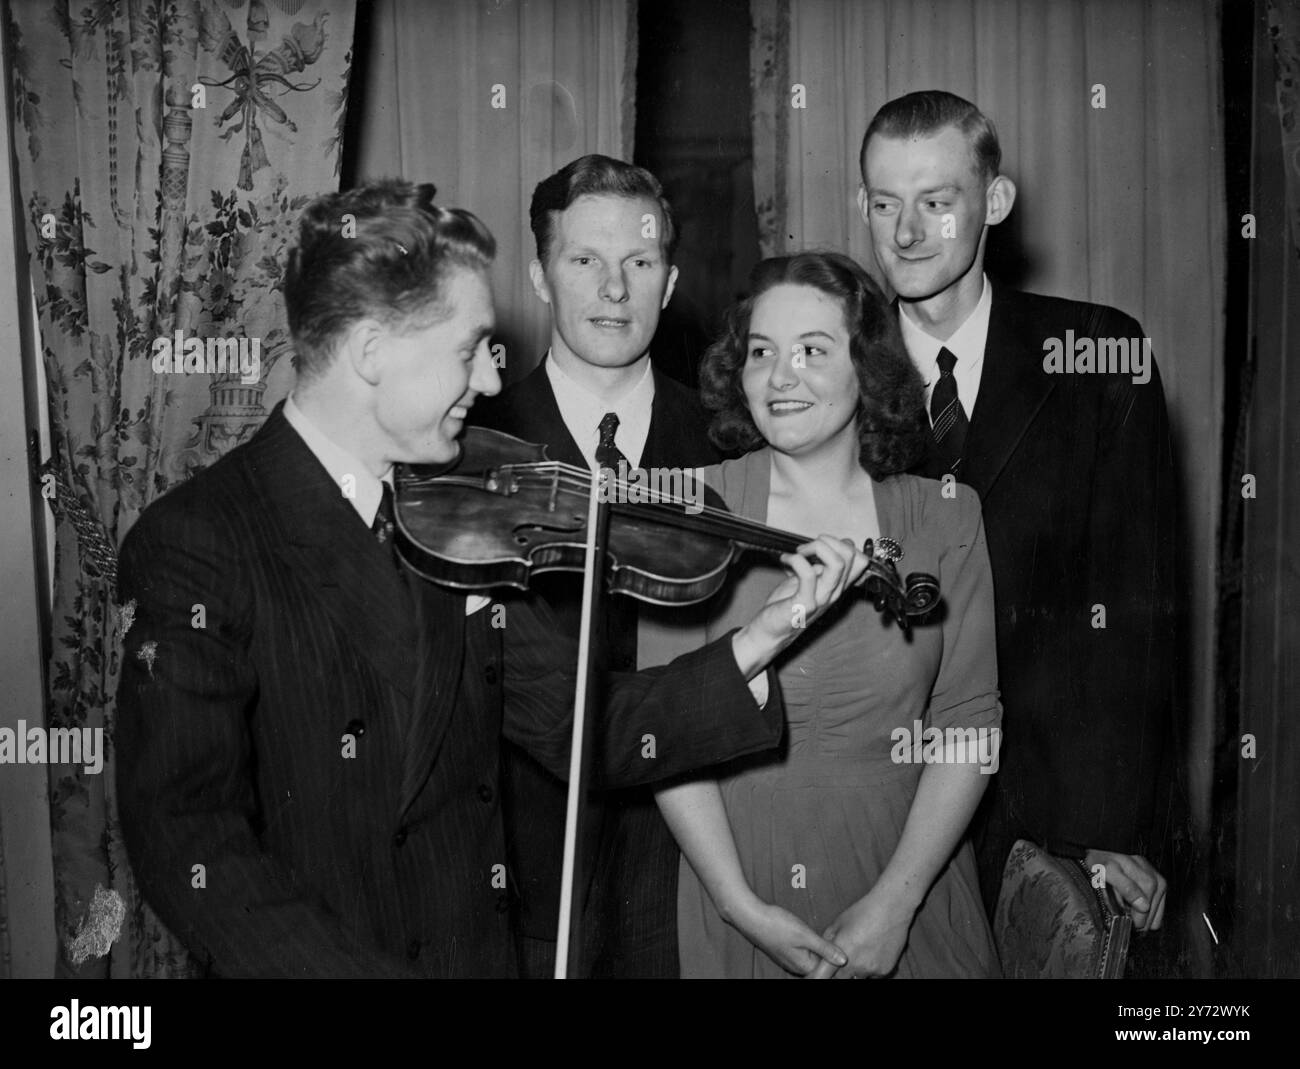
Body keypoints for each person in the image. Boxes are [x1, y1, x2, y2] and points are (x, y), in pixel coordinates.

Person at [115, 179, 871, 978]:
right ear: (373, 350)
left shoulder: (455, 513)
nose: (486, 378)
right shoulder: (200, 538)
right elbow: (190, 840)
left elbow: (592, 725)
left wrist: (766, 632)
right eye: (468, 348)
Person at [857, 89, 1179, 946]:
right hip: (876, 818)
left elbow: (1134, 616)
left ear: (994, 202)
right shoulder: (830, 377)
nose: (908, 233)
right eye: (886, 204)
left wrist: (1107, 833)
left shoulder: (1101, 357)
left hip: (1051, 824)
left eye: (937, 201)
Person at [647, 251, 1003, 978]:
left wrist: (895, 906)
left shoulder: (946, 515)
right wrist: (739, 906)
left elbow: (969, 725)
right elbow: (661, 730)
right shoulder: (685, 512)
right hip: (743, 885)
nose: (781, 377)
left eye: (813, 351)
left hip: (910, 883)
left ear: (866, 369)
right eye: (761, 353)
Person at [472, 155, 720, 977]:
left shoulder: (736, 440)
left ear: (671, 278)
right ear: (541, 277)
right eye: (584, 260)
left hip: (697, 884)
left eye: (639, 263)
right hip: (524, 880)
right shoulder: (468, 446)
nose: (614, 290)